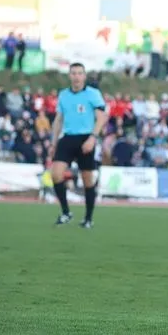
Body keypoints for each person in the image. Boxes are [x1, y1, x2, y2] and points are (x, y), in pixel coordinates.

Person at [49, 63, 107, 228]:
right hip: (67, 138)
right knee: (56, 174)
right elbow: (59, 119)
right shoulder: (64, 95)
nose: (76, 76)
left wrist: (92, 138)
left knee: (88, 180)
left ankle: (88, 218)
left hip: (85, 138)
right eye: (73, 73)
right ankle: (66, 212)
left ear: (84, 76)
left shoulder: (93, 94)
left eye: (79, 73)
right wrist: (54, 142)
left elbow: (101, 117)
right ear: (70, 76)